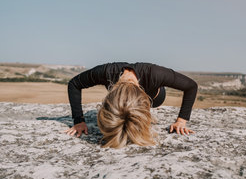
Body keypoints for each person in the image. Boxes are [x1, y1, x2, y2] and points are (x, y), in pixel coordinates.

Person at [64, 61, 198, 148]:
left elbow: (191, 86)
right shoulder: (106, 72)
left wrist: (181, 121)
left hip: (156, 97)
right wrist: (79, 121)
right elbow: (74, 84)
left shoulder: (154, 74)